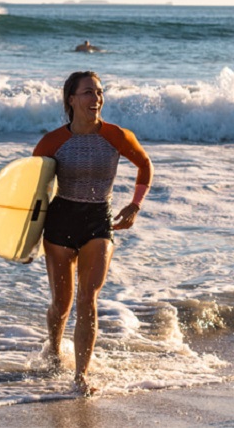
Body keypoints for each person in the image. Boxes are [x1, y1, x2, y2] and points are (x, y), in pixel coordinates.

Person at [32, 71, 153, 396]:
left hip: (98, 220)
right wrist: (27, 238)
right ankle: (54, 349)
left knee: (88, 298)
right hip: (60, 222)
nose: (95, 98)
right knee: (62, 304)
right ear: (71, 99)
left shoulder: (117, 136)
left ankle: (81, 375)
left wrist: (135, 205)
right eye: (87, 92)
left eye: (99, 92)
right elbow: (33, 189)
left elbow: (144, 164)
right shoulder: (52, 141)